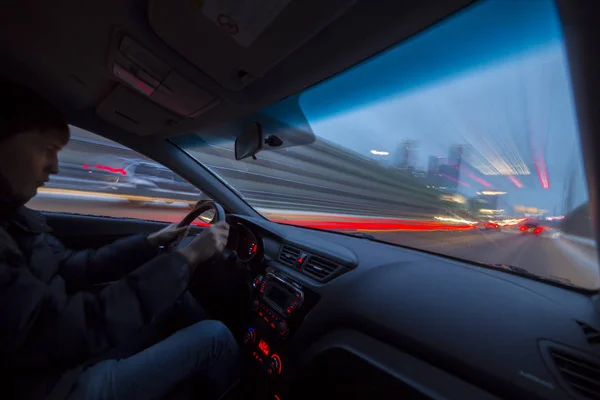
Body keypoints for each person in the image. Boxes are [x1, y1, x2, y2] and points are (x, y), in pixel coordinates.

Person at [0, 81, 239, 400]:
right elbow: (57, 330)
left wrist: (151, 243)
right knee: (217, 338)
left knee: (177, 297)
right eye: (46, 149)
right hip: (55, 386)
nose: (54, 167)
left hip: (60, 360)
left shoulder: (13, 218)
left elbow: (73, 267)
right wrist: (187, 257)